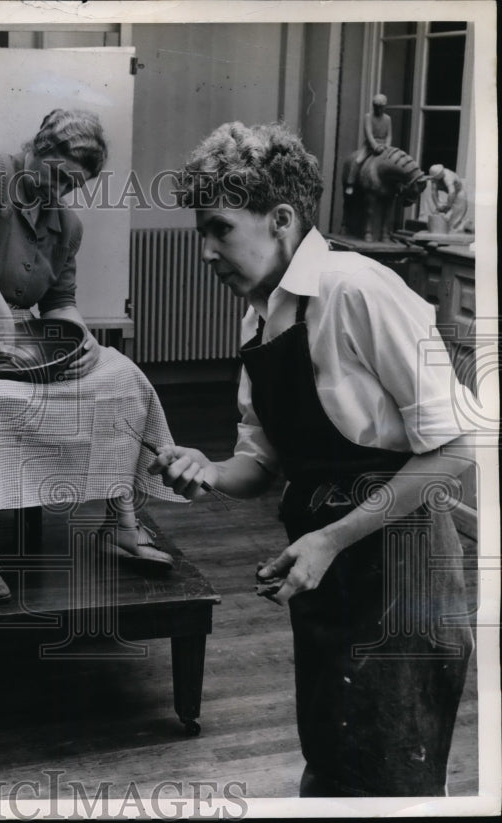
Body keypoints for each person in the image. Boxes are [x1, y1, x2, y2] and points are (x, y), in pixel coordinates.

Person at [152, 122, 474, 796]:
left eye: (219, 229)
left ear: (281, 218)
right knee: (331, 755)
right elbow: (261, 465)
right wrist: (207, 469)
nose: (206, 252)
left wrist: (331, 537)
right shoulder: (258, 316)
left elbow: (454, 448)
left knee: (391, 771)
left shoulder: (357, 291)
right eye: (199, 233)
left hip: (399, 571)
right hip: (326, 571)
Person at [0, 109, 185, 602]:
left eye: (72, 186)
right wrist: (1, 322)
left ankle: (122, 523)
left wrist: (82, 338)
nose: (60, 193)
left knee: (122, 378)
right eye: (57, 176)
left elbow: (61, 304)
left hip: (17, 329)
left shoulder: (66, 224)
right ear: (39, 148)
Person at [344, 93, 393, 195]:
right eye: (376, 107)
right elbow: (369, 133)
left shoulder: (387, 119)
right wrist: (375, 146)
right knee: (358, 161)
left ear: (384, 107)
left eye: (381, 107)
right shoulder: (368, 117)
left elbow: (389, 135)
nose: (378, 109)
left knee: (393, 163)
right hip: (370, 146)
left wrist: (387, 146)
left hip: (384, 146)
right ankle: (350, 183)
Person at [421, 164, 471, 233]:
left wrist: (448, 207)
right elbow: (433, 191)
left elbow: (452, 192)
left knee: (454, 219)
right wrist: (438, 204)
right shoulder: (435, 177)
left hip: (459, 195)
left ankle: (462, 226)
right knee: (443, 216)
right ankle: (445, 231)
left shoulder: (448, 177)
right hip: (451, 195)